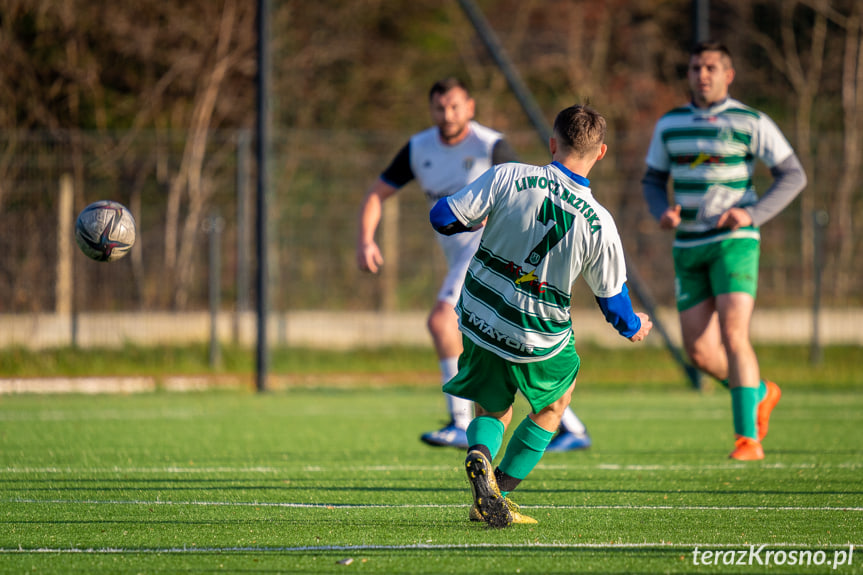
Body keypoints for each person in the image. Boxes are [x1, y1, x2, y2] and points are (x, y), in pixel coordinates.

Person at [430, 104, 653, 527]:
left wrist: (474, 220)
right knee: (555, 405)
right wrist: (635, 326)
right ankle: (496, 490)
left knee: (491, 407)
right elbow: (614, 304)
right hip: (538, 334)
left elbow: (443, 218)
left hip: (480, 315)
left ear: (553, 143)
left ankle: (478, 455)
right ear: (601, 153)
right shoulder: (600, 223)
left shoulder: (509, 175)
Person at [357, 77, 592, 451]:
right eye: (439, 107)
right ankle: (569, 425)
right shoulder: (419, 148)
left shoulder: (490, 145)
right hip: (463, 259)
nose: (447, 114)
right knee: (504, 344)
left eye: (454, 106)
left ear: (470, 106)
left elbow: (526, 191)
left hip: (492, 253)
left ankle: (459, 421)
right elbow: (376, 193)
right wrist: (366, 239)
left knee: (442, 321)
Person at [641, 41, 807, 461]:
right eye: (696, 67)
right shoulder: (670, 124)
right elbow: (652, 181)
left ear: (728, 74)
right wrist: (663, 213)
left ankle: (747, 440)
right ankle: (761, 392)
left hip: (734, 243)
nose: (702, 75)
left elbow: (793, 175)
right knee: (699, 352)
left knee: (734, 335)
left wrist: (752, 214)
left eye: (711, 67)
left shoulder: (751, 121)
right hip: (688, 245)